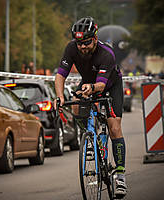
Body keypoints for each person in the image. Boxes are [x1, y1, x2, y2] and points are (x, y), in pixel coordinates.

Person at [54, 17, 127, 198]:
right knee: (76, 106)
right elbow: (60, 75)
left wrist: (91, 89)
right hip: (87, 82)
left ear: (95, 38)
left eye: (86, 42)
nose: (82, 47)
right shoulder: (71, 48)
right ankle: (90, 138)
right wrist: (60, 96)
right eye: (79, 43)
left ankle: (120, 175)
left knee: (114, 127)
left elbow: (100, 86)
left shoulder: (106, 53)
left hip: (110, 86)